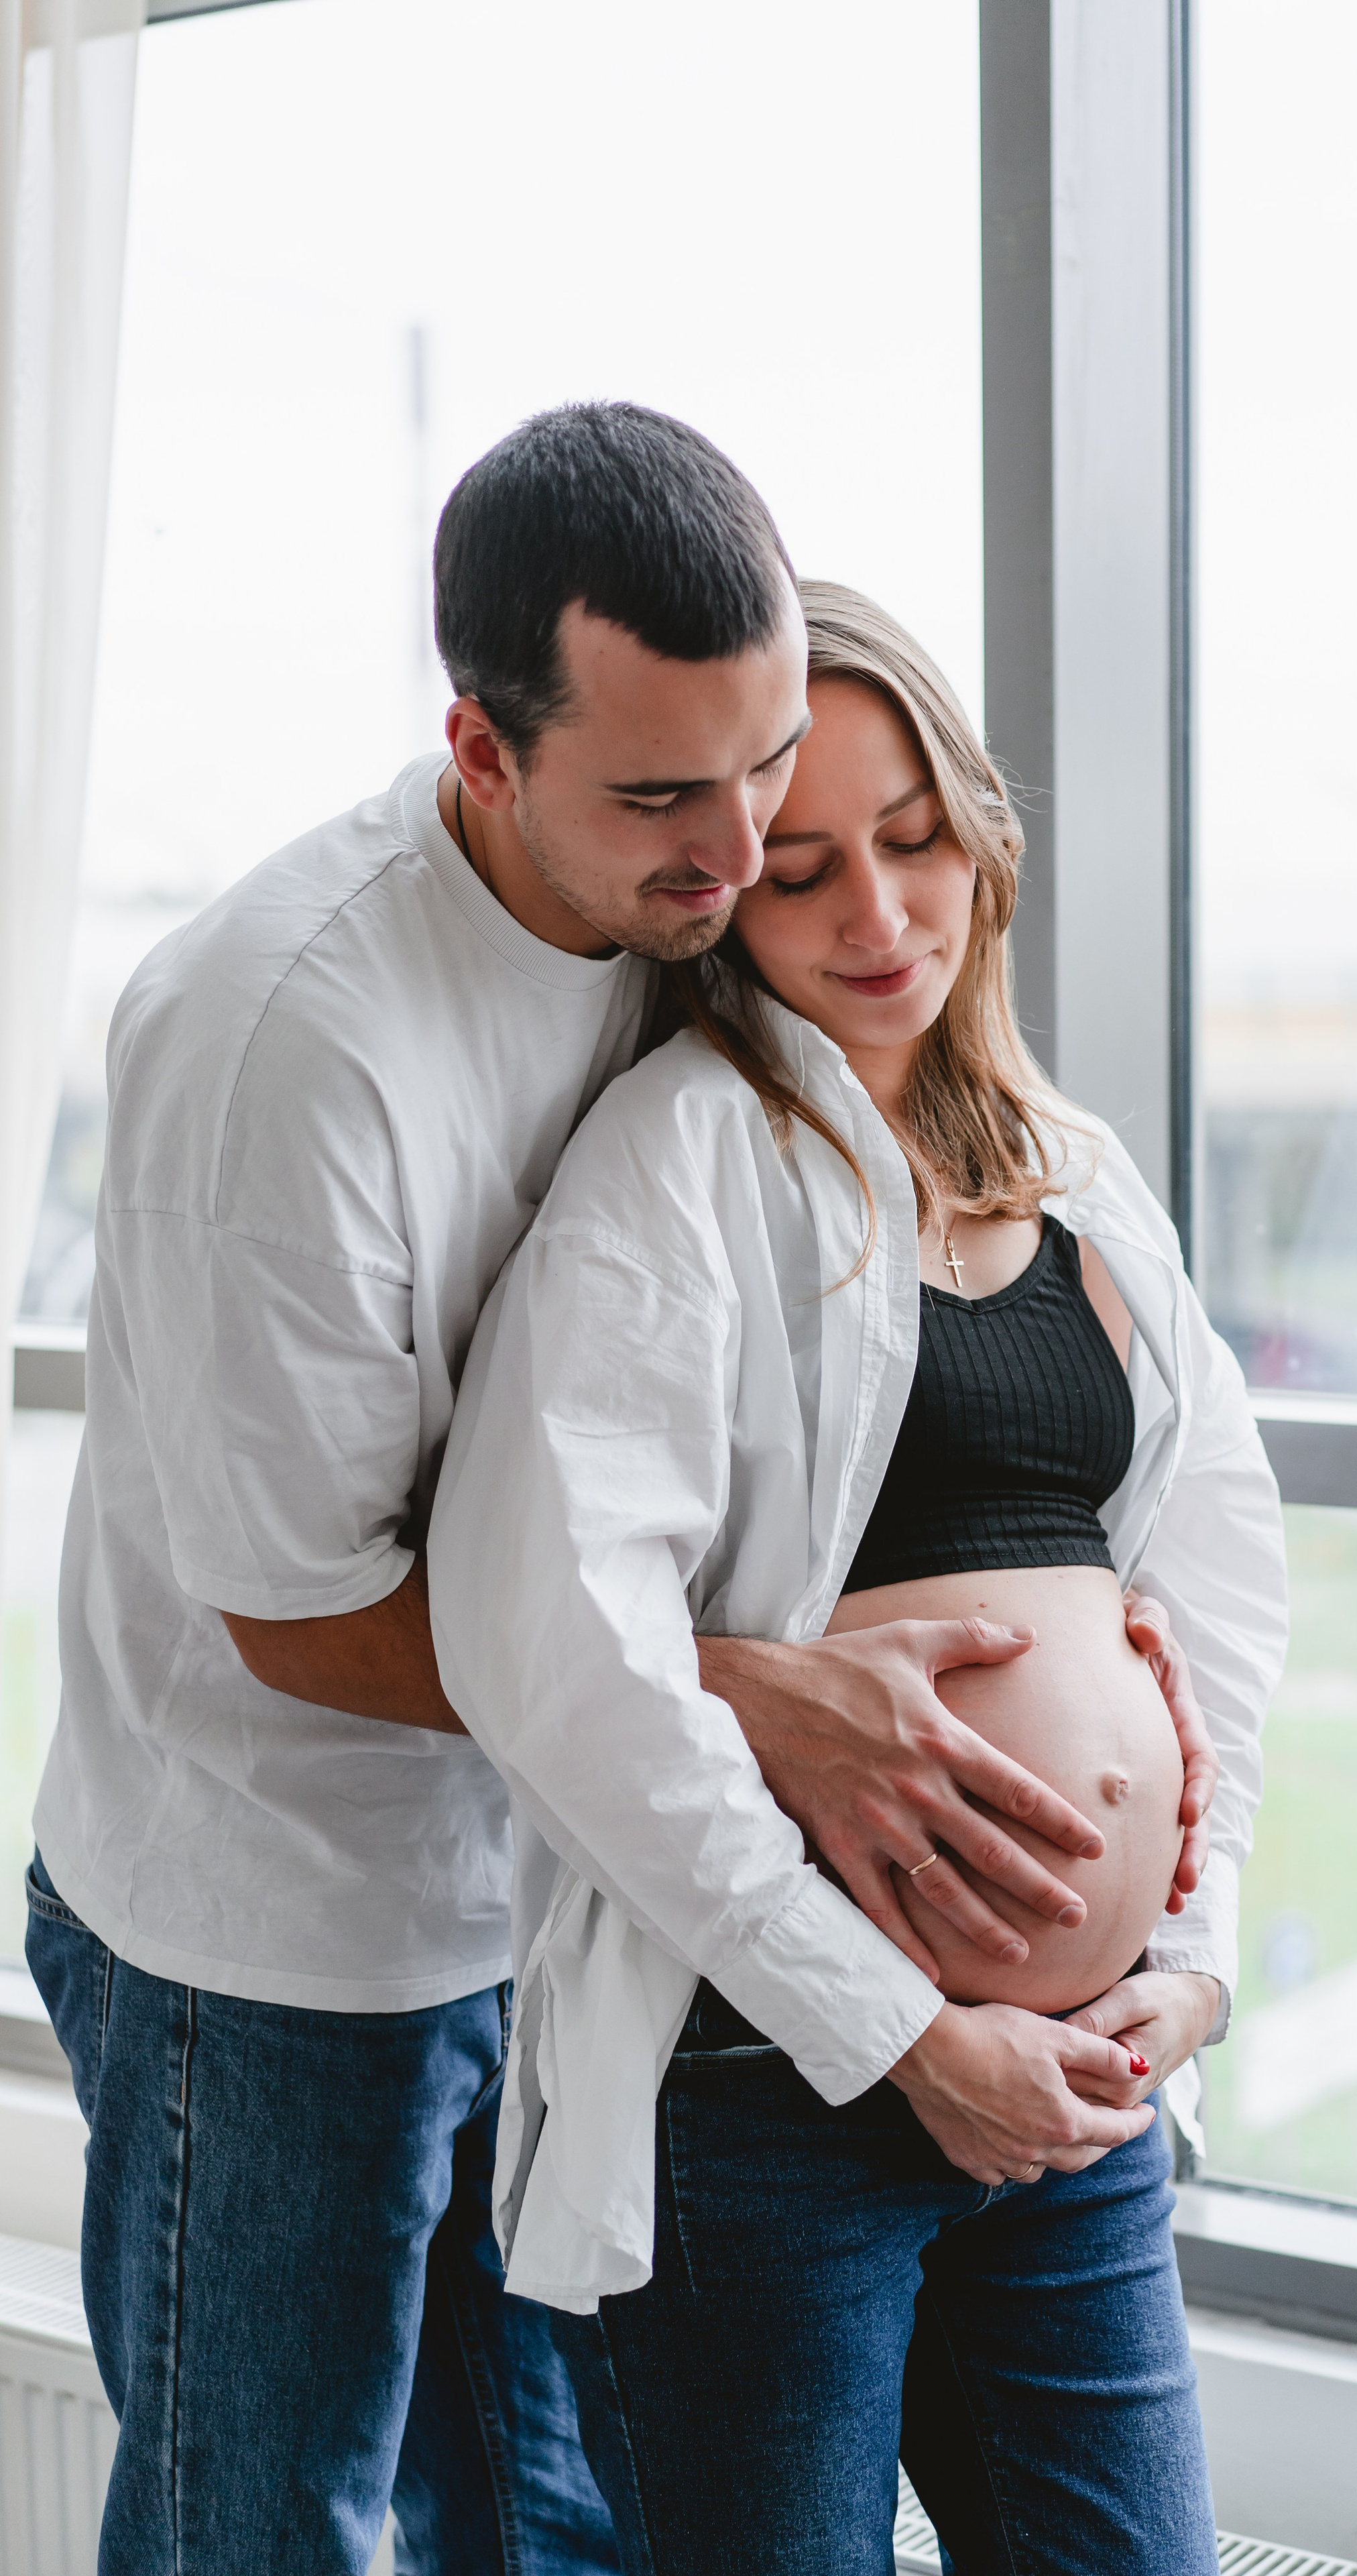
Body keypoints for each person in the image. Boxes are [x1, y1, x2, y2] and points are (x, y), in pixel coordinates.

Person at [24, 406, 1218, 2576]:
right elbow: (298, 1615)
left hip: (576, 1897)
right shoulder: (287, 1037)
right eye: (670, 799)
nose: (747, 851)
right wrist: (757, 1697)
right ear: (483, 754)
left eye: (763, 766)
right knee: (263, 2525)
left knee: (544, 2531)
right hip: (283, 1909)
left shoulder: (693, 922)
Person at [428, 582, 1289, 2573]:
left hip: (1074, 2102)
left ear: (981, 828)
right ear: (724, 895)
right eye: (803, 870)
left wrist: (1193, 1952)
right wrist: (902, 2033)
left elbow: (1219, 1594)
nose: (881, 915)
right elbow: (558, 1647)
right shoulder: (679, 1158)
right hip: (771, 2094)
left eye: (914, 840)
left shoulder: (1081, 1176)